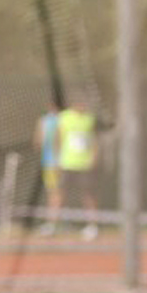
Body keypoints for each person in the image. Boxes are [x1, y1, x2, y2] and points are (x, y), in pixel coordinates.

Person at [54, 94, 100, 238]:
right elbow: (58, 139)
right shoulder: (64, 118)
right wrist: (58, 160)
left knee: (88, 194)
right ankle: (53, 224)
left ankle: (92, 225)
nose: (82, 106)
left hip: (84, 165)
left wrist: (94, 158)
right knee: (60, 192)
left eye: (84, 104)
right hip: (67, 163)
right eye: (79, 103)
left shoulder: (89, 119)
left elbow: (94, 140)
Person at [34, 100, 62, 231]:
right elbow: (37, 142)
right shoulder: (44, 121)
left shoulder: (62, 120)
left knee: (55, 192)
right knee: (53, 192)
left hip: (59, 162)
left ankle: (53, 223)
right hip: (49, 162)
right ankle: (52, 222)